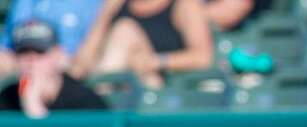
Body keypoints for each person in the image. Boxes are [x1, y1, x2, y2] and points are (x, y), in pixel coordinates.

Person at [70, 0, 213, 89]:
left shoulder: (183, 5)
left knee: (125, 31)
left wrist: (156, 61)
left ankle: (101, 98)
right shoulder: (116, 5)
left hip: (156, 87)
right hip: (117, 77)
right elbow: (84, 60)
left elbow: (203, 57)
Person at [0, 18, 107, 117]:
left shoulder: (84, 102)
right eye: (23, 52)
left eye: (40, 51)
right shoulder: (6, 98)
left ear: (58, 55)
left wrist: (34, 108)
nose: (31, 60)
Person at [0, 0, 103, 74]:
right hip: (23, 66)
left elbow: (80, 65)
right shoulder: (24, 3)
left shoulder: (93, 5)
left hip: (64, 74)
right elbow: (7, 50)